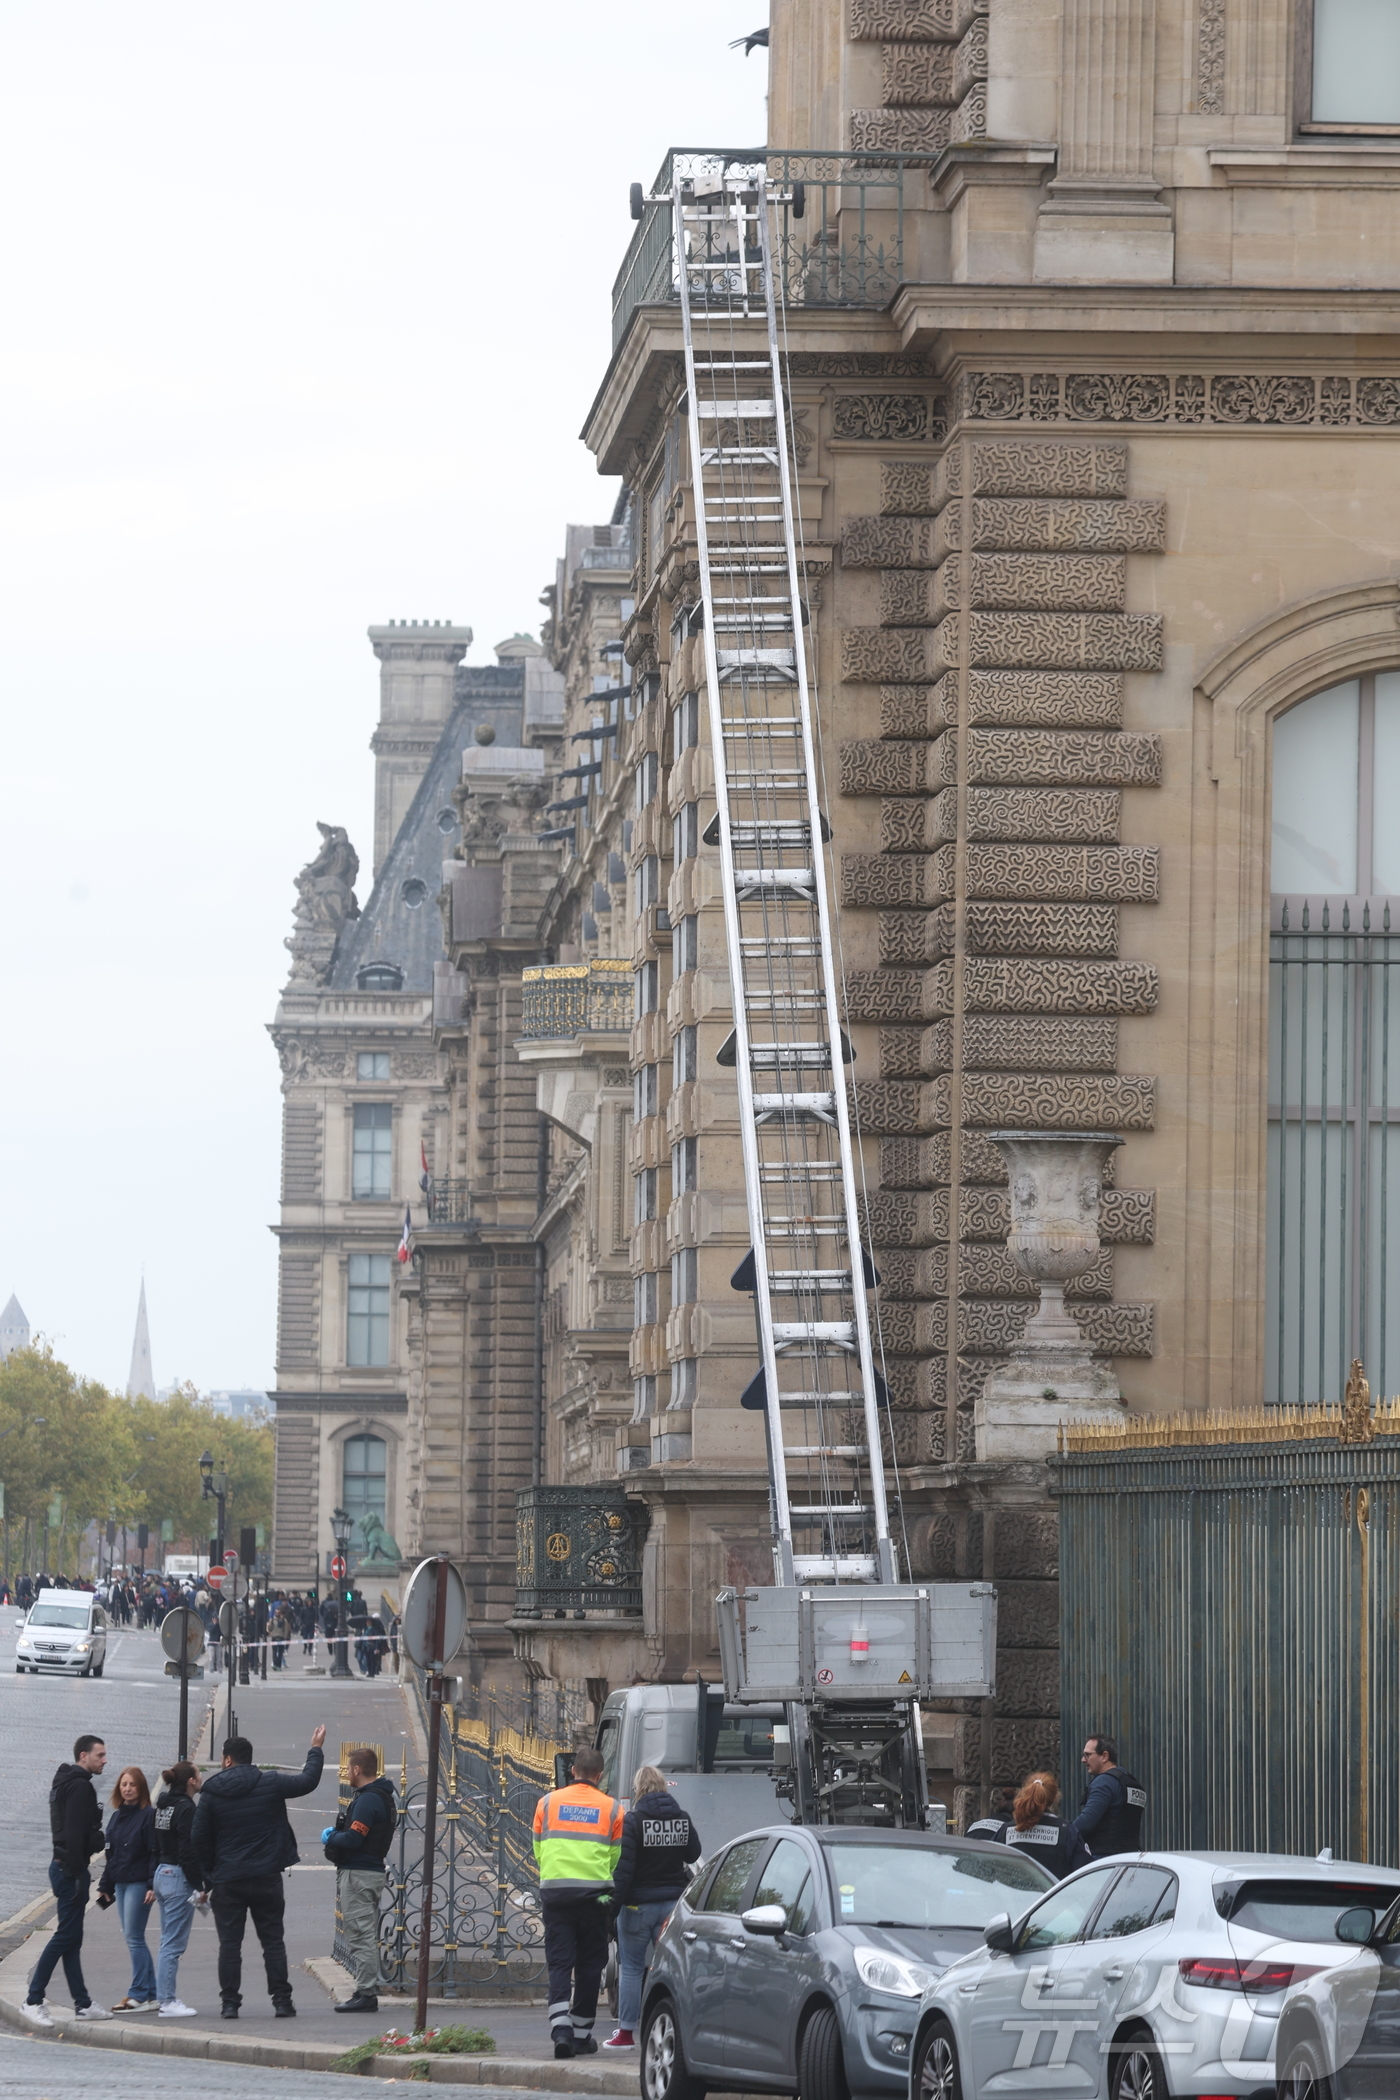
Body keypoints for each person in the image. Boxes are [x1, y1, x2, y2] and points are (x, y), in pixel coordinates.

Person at [192, 1724, 326, 2018]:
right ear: (250, 1759)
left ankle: (230, 2004)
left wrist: (209, 1876)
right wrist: (315, 1748)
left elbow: (198, 1839)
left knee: (230, 1945)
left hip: (227, 1879)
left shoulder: (211, 1794)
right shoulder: (271, 1782)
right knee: (273, 1941)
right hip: (266, 1876)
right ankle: (282, 2001)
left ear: (227, 1760)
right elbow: (308, 1781)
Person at [532, 1745, 624, 2060]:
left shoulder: (547, 1802)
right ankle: (582, 2034)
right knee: (589, 1964)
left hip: (557, 1894)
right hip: (595, 1895)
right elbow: (615, 1856)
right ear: (600, 1775)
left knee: (560, 1964)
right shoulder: (613, 1809)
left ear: (573, 1771)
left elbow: (538, 1849)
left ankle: (561, 2031)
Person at [602, 1764, 701, 2051]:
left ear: (639, 1789)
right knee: (671, 1968)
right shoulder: (681, 1818)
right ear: (663, 1786)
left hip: (636, 1906)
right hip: (672, 1906)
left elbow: (624, 1871)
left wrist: (610, 1913)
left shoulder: (633, 1821)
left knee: (632, 1969)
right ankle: (673, 2029)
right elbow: (693, 1853)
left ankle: (625, 2035)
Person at [20, 1734, 112, 2028]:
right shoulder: (80, 1787)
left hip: (63, 1867)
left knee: (72, 1939)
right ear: (83, 1756)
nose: (104, 1760)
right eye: (100, 1755)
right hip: (70, 1871)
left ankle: (82, 2004)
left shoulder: (64, 1783)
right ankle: (33, 2000)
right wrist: (91, 1848)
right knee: (64, 1937)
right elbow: (73, 1834)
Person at [322, 1747, 398, 2013]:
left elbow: (354, 1838)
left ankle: (366, 1993)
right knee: (362, 1931)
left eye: (348, 1769)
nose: (347, 1774)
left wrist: (330, 1837)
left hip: (359, 1874)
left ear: (356, 1769)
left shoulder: (368, 1801)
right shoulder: (381, 1797)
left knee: (360, 1934)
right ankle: (364, 1990)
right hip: (368, 1871)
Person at [152, 1759, 208, 2017]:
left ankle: (163, 1996)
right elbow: (188, 1851)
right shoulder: (186, 1808)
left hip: (162, 1872)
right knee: (173, 1944)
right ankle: (167, 2001)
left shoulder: (163, 1806)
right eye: (198, 1775)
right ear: (191, 1781)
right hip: (178, 1877)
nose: (200, 1779)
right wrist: (201, 1886)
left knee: (167, 1940)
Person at [98, 1766, 158, 2009]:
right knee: (133, 1937)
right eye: (124, 1784)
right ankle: (153, 1993)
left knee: (134, 1938)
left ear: (141, 1787)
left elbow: (155, 1852)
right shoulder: (116, 1817)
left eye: (132, 1784)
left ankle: (137, 1993)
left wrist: (152, 1884)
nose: (128, 1789)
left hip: (138, 1884)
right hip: (120, 1884)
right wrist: (105, 1886)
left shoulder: (148, 1815)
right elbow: (112, 1856)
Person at [973, 1772, 1087, 1881]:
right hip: (1053, 1899)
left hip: (1012, 1899)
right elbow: (1084, 1874)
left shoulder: (1006, 1830)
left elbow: (986, 1867)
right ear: (1055, 1798)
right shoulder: (1067, 1832)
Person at [1067, 1735, 1148, 1859]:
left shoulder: (1104, 1782)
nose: (1083, 1760)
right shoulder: (1132, 1784)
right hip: (1131, 1857)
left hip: (1103, 1860)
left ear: (1104, 1756)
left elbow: (1086, 1821)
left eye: (1087, 1755)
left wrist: (1064, 1836)